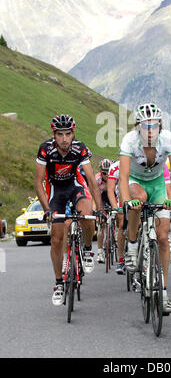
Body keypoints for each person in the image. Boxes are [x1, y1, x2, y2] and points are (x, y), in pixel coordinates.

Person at [119, 103, 171, 314]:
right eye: (145, 126)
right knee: (139, 199)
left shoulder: (168, 139)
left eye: (154, 126)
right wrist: (127, 201)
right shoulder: (129, 141)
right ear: (138, 127)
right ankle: (132, 244)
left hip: (157, 184)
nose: (150, 131)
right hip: (135, 182)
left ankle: (163, 291)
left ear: (160, 127)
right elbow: (124, 175)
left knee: (163, 236)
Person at [35, 114, 103, 306]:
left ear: (73, 133)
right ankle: (58, 283)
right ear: (53, 135)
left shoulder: (80, 149)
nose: (64, 139)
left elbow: (91, 181)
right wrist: (47, 209)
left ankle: (88, 250)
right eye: (60, 135)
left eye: (68, 134)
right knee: (56, 238)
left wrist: (101, 209)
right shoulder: (45, 150)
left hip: (75, 187)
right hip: (55, 191)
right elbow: (38, 183)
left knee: (87, 214)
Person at [107, 159, 126, 274]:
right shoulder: (115, 167)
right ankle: (121, 259)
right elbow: (110, 190)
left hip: (137, 194)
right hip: (121, 197)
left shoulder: (138, 163)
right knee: (123, 224)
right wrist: (115, 207)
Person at [94, 158, 112, 263]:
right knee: (101, 222)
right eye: (104, 173)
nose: (106, 175)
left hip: (113, 196)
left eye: (108, 172)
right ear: (100, 172)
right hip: (102, 198)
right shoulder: (97, 179)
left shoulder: (116, 177)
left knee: (120, 217)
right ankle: (100, 252)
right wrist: (96, 211)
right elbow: (94, 197)